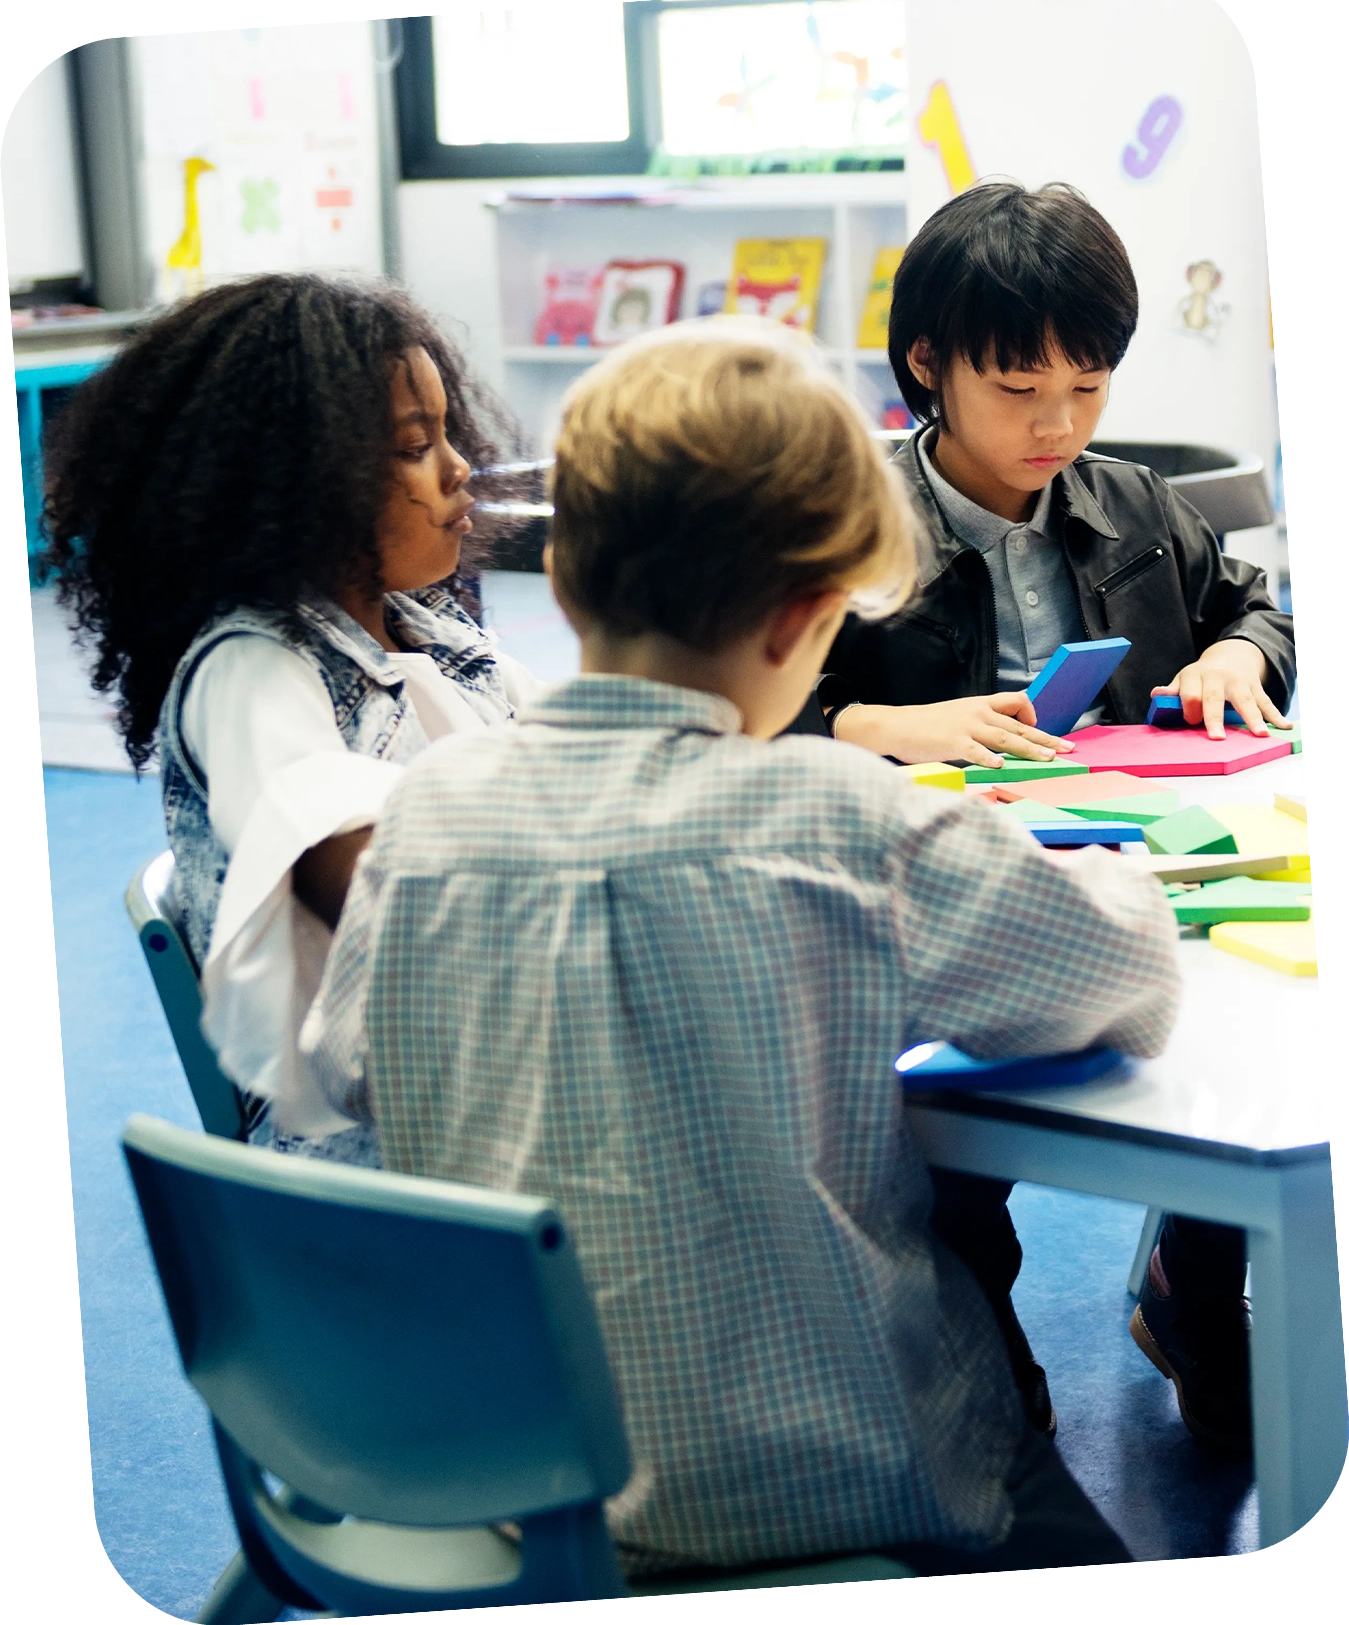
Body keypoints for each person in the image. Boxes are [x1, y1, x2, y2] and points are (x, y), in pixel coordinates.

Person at [304, 319, 1181, 1575]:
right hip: (851, 1491)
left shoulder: (430, 811)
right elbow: (1126, 981)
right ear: (806, 620)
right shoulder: (841, 820)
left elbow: (348, 1066)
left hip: (526, 1494)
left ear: (564, 584)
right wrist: (1109, 874)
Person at [796, 181, 1292, 1453]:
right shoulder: (842, 524)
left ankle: (1191, 1289)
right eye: (1017, 388)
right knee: (942, 1164)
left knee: (1244, 1064)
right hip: (928, 901)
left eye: (1087, 384)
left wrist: (1238, 652)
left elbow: (1255, 604)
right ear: (927, 364)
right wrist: (874, 722)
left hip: (1143, 873)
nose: (1057, 424)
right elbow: (738, 711)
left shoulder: (1131, 504)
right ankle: (985, 1361)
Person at [44, 274, 540, 1165]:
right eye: (414, 447)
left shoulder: (431, 630)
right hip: (376, 1148)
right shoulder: (251, 672)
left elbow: (579, 757)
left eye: (446, 434)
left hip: (477, 1079)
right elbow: (396, 901)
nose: (458, 467)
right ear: (299, 487)